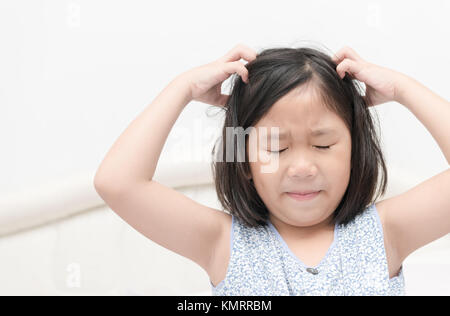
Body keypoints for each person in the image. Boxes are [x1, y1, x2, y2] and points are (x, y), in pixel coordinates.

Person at [94, 43, 450, 296]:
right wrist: (182, 88)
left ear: (355, 153)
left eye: (323, 145)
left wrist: (403, 89)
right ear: (244, 161)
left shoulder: (385, 234)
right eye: (276, 148)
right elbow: (117, 183)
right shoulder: (222, 243)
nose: (302, 167)